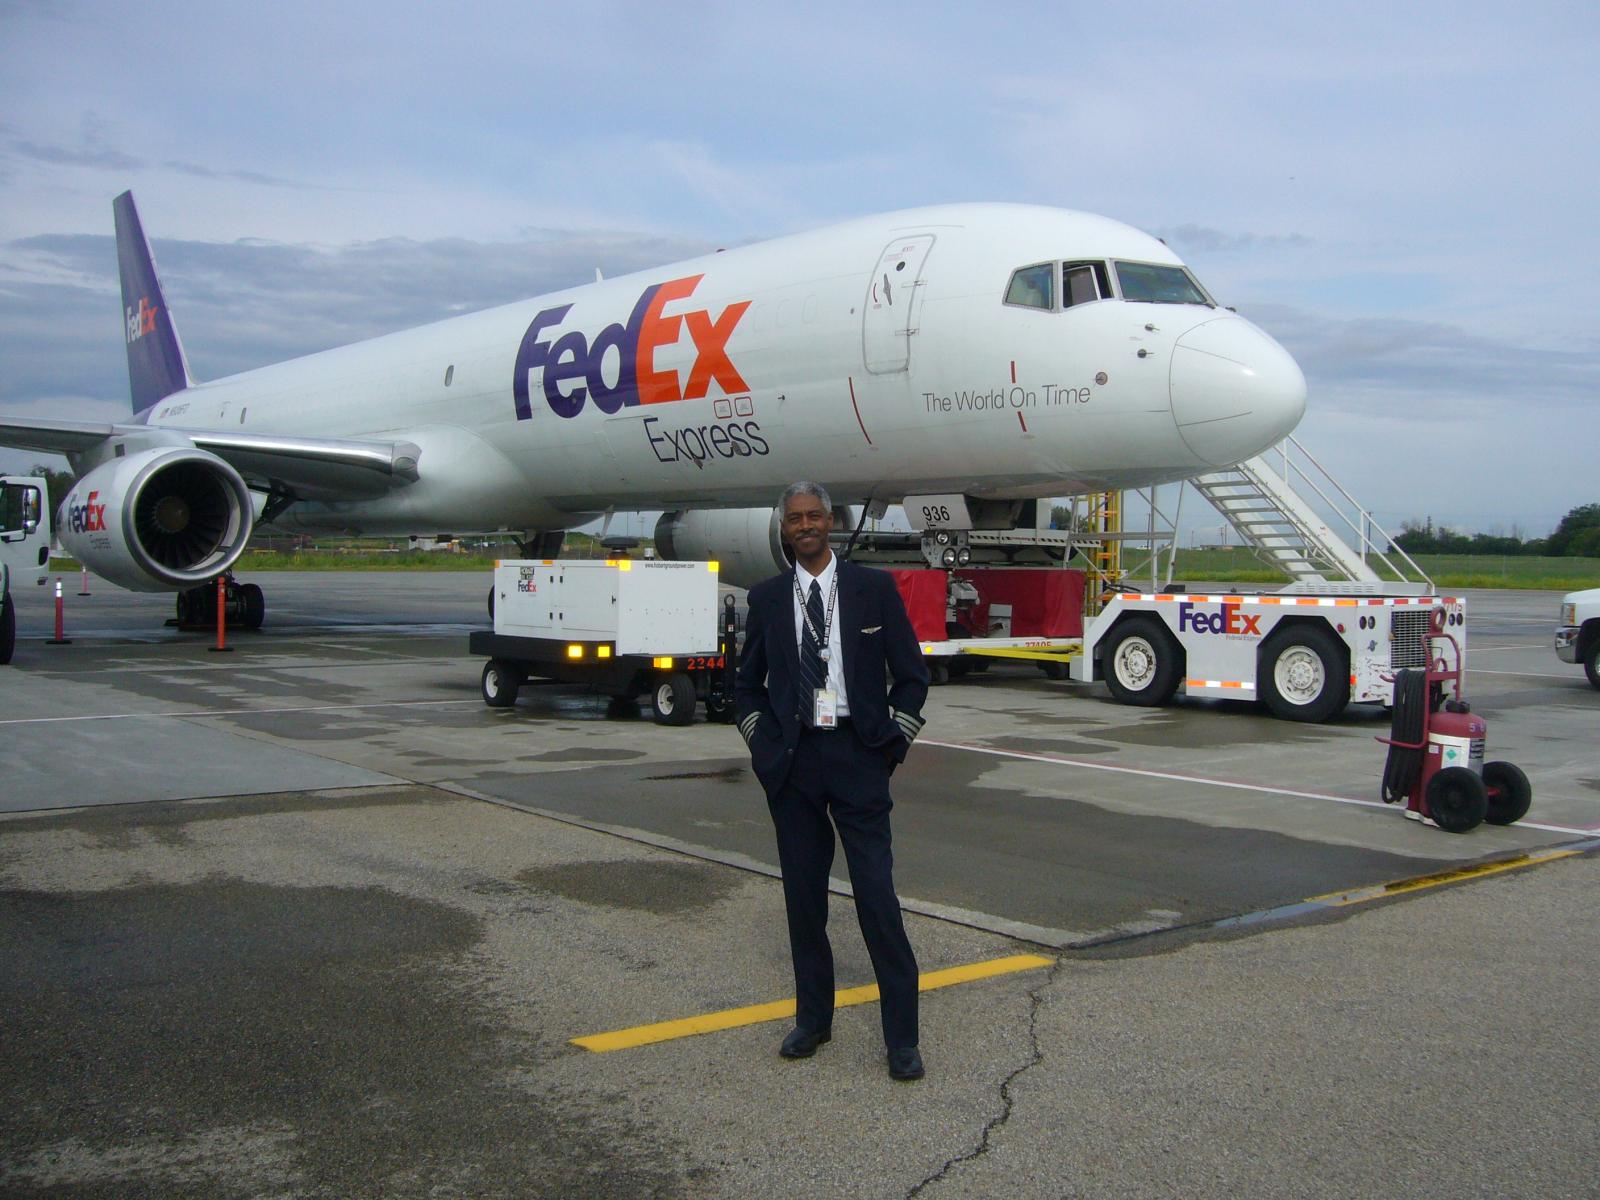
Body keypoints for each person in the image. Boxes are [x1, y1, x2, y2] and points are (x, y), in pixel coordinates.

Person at [735, 481, 931, 1081]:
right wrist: (765, 749)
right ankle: (812, 1021)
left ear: (830, 522)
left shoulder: (872, 589)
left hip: (858, 754)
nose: (805, 526)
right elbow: (745, 687)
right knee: (803, 901)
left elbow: (913, 677)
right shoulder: (767, 599)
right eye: (794, 519)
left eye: (814, 516)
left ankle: (902, 1038)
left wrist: (890, 746)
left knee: (876, 897)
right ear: (784, 529)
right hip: (795, 763)